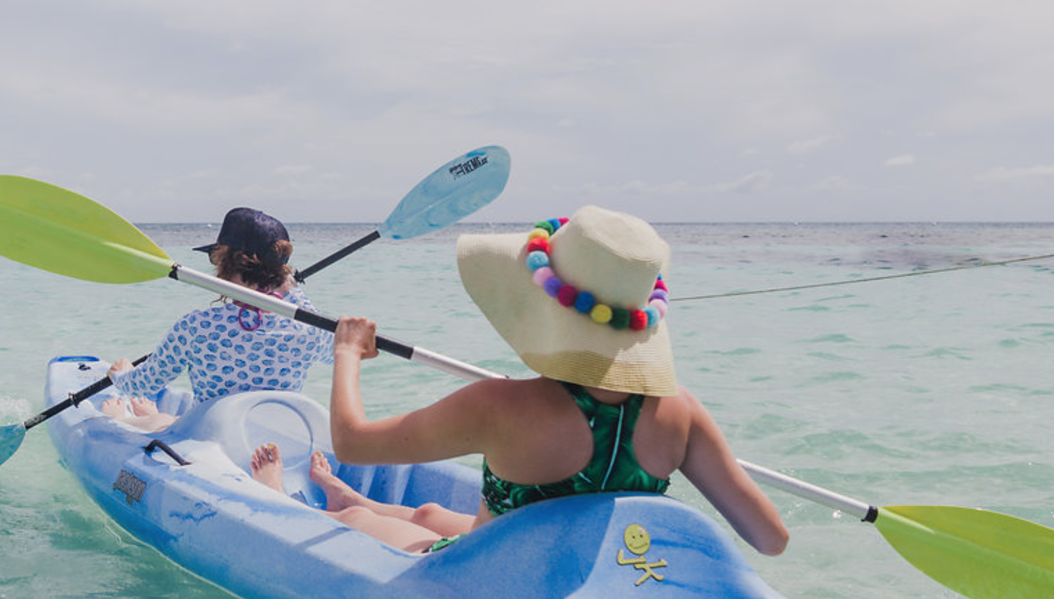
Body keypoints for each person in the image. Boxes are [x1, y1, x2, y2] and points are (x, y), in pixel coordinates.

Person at [251, 206, 787, 557]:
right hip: (581, 576)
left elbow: (351, 441)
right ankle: (346, 495)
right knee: (430, 513)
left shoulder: (501, 406)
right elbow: (770, 539)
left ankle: (297, 498)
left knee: (361, 531)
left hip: (487, 578)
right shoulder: (682, 411)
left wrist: (346, 350)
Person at [100, 207, 335, 416]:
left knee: (157, 422)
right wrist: (291, 294)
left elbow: (145, 385)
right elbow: (335, 353)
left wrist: (120, 375)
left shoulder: (197, 326)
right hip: (272, 440)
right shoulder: (309, 328)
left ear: (225, 262)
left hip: (211, 439)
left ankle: (131, 418)